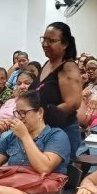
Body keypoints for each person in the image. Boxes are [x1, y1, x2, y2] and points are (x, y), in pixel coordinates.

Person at [36, 22, 83, 157]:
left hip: (62, 133)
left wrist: (40, 117)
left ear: (65, 44)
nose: (45, 44)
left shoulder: (68, 67)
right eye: (44, 39)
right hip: (44, 131)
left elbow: (73, 103)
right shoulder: (47, 64)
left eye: (51, 41)